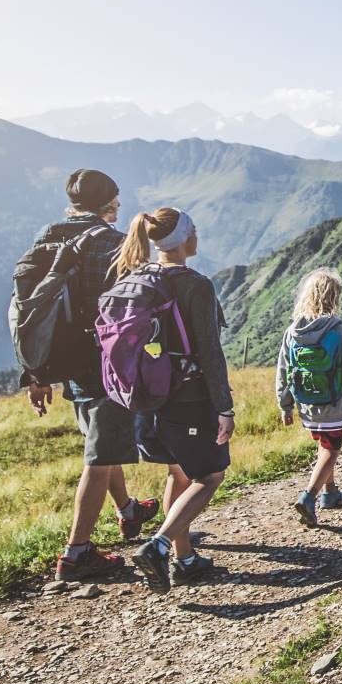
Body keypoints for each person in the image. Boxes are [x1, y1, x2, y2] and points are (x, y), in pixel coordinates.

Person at [17, 168, 159, 582]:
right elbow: (135, 307)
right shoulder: (114, 244)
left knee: (102, 440)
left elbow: (31, 306)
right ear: (110, 203)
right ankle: (77, 553)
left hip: (64, 361)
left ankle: (128, 510)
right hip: (106, 363)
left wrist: (36, 371)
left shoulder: (49, 238)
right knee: (99, 456)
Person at [109, 206, 234, 591]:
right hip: (189, 397)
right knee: (209, 476)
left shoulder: (137, 277)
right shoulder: (195, 285)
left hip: (149, 398)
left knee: (178, 472)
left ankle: (186, 560)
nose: (197, 234)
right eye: (193, 228)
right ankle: (159, 545)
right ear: (183, 239)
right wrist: (224, 406)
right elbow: (210, 352)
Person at [276, 269, 342, 526]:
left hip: (307, 404)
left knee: (324, 444)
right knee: (331, 449)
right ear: (334, 296)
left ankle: (330, 492)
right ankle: (309, 496)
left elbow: (283, 371)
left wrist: (285, 406)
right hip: (334, 404)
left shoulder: (292, 332)